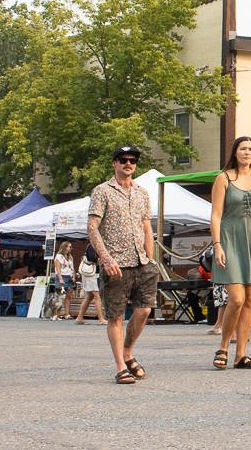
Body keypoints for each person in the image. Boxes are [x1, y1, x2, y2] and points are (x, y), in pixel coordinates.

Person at [86, 145, 157, 385]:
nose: (129, 164)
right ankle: (120, 366)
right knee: (115, 317)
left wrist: (150, 256)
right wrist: (106, 258)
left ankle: (128, 352)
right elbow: (92, 227)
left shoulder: (142, 193)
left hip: (142, 263)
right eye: (124, 160)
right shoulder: (102, 192)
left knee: (144, 310)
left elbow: (147, 227)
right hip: (116, 264)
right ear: (114, 163)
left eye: (133, 160)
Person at [209, 137, 251, 370]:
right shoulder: (224, 178)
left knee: (250, 300)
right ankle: (223, 347)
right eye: (243, 148)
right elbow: (216, 215)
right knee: (236, 299)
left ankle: (241, 355)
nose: (247, 153)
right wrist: (217, 244)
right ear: (235, 152)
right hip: (230, 239)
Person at [75, 245, 106, 325]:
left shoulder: (93, 245)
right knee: (98, 296)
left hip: (91, 274)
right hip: (91, 274)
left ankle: (79, 317)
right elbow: (92, 257)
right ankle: (101, 319)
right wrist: (103, 259)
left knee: (89, 297)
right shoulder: (92, 245)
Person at [52, 241, 75, 320]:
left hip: (69, 276)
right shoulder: (58, 256)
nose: (71, 248)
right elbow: (58, 268)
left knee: (68, 296)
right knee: (59, 296)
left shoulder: (70, 257)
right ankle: (56, 314)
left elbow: (72, 268)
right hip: (62, 276)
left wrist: (73, 277)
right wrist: (60, 279)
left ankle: (67, 314)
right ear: (65, 247)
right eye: (69, 247)